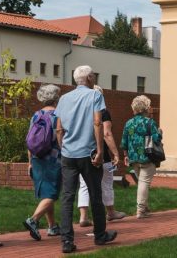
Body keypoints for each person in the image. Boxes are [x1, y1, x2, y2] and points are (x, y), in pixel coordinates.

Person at [55, 65, 117, 254]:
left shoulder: (64, 98)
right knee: (95, 194)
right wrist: (100, 150)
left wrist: (62, 146)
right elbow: (97, 122)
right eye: (94, 76)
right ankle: (100, 235)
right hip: (88, 153)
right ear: (90, 78)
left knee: (67, 197)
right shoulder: (95, 95)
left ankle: (66, 241)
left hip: (68, 154)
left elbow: (59, 128)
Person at [78, 86, 127, 225]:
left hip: (83, 153)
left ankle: (83, 217)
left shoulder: (81, 113)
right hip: (101, 154)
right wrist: (116, 153)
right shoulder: (103, 112)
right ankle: (111, 212)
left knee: (84, 185)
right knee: (106, 182)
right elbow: (106, 133)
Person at [23, 84, 62, 241]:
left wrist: (30, 162)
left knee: (46, 193)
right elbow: (61, 139)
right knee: (52, 193)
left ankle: (52, 226)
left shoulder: (36, 115)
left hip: (37, 159)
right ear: (56, 98)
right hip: (53, 159)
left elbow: (30, 140)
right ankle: (33, 220)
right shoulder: (58, 115)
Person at [121, 94, 162, 219]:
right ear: (146, 108)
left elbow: (124, 141)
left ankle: (145, 207)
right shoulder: (149, 122)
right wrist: (160, 132)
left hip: (133, 157)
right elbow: (156, 138)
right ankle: (141, 210)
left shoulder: (129, 123)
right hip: (147, 156)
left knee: (141, 182)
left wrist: (126, 155)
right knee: (144, 183)